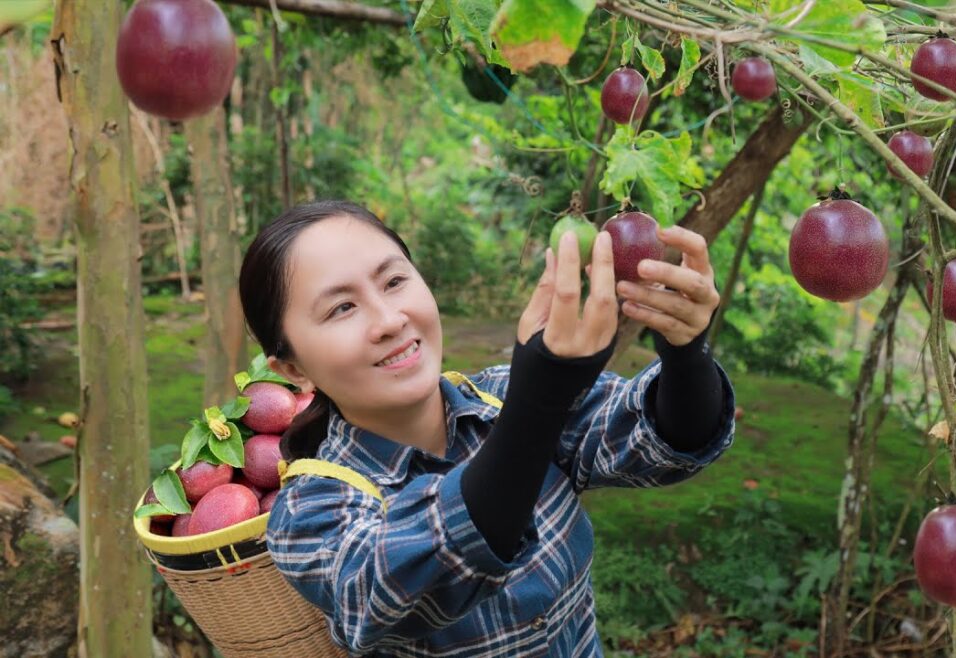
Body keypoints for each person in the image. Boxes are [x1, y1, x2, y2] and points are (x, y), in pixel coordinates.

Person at [237, 200, 737, 657]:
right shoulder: (309, 513)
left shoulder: (501, 396)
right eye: (341, 307)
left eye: (393, 282)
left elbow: (660, 440)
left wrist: (685, 349)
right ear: (293, 369)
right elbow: (398, 583)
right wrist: (537, 404)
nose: (389, 319)